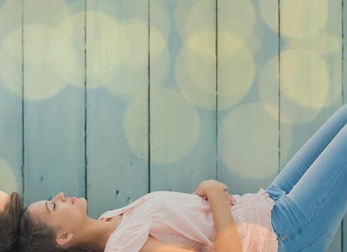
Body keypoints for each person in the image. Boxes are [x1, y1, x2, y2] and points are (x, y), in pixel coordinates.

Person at [19, 103, 347, 252]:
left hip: (267, 203)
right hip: (285, 233)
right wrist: (214, 192)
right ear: (62, 238)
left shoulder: (111, 219)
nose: (59, 196)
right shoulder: (124, 247)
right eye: (52, 206)